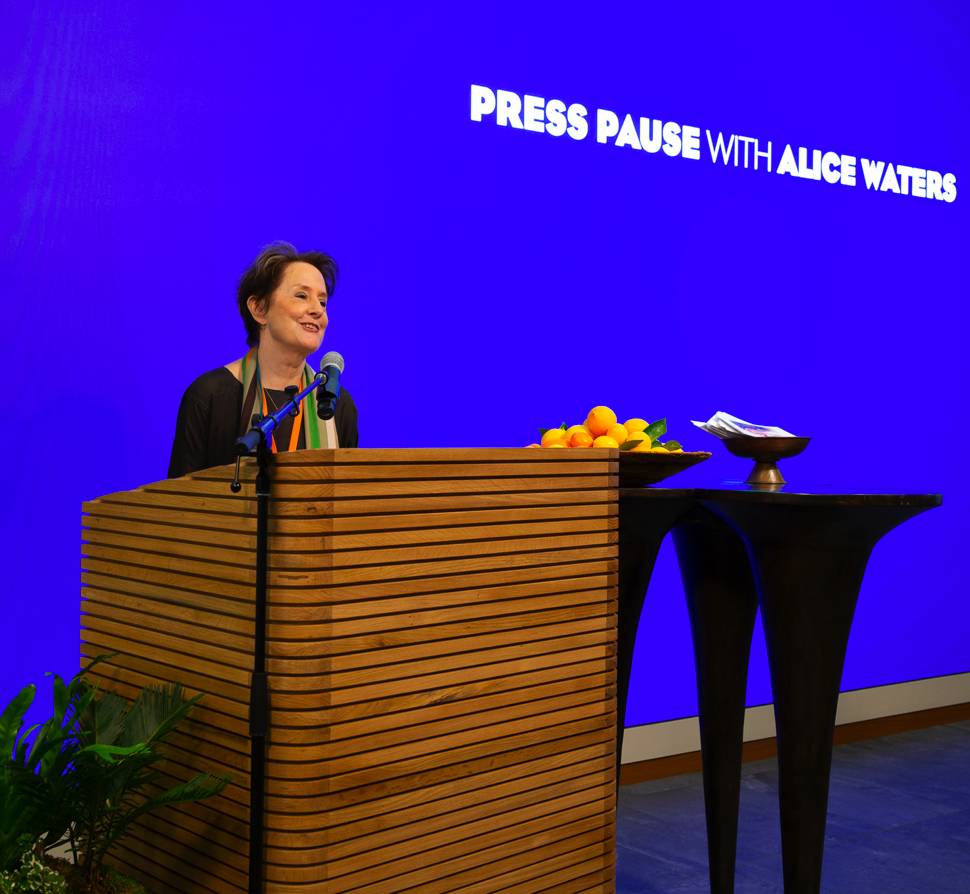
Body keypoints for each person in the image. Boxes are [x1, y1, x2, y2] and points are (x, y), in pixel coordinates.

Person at [168, 243, 358, 478]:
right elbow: (179, 503)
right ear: (259, 309)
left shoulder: (335, 403)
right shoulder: (209, 396)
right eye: (302, 296)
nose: (318, 310)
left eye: (322, 302)